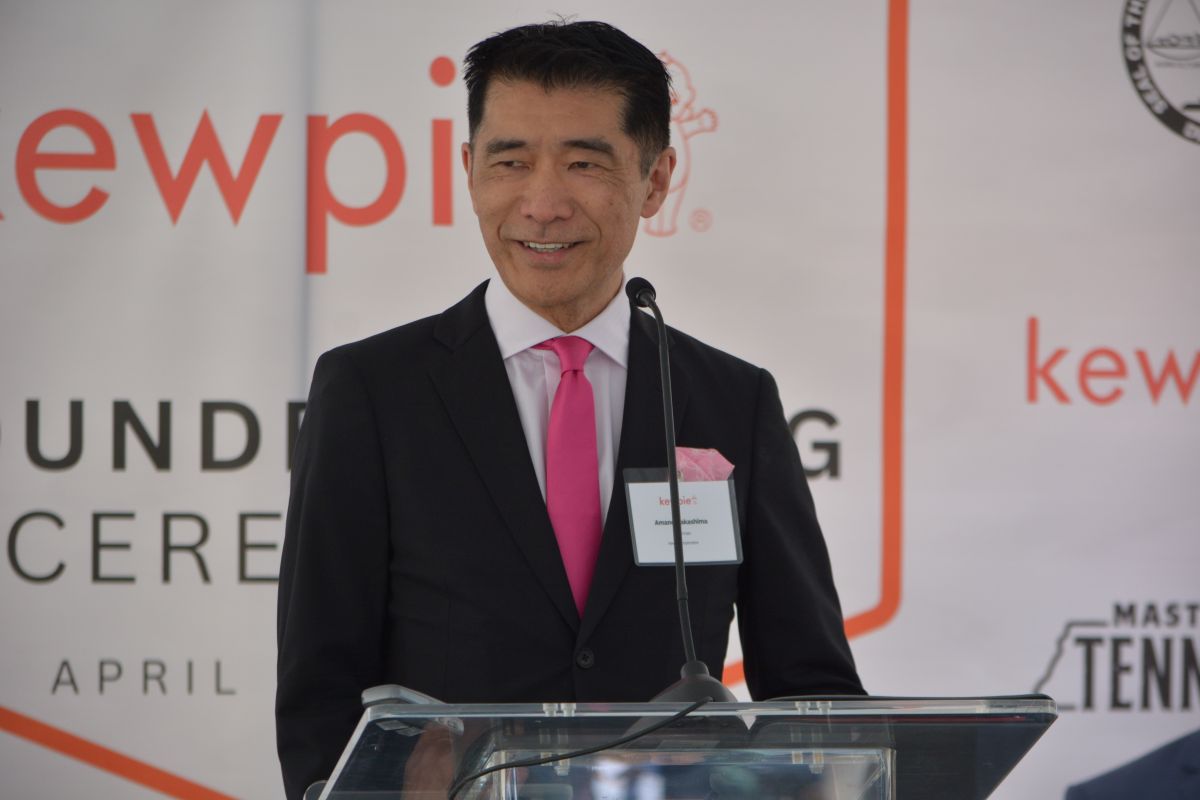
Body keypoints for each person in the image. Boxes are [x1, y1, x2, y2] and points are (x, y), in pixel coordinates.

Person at [276, 20, 863, 799]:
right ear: (469, 171)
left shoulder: (729, 399)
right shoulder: (371, 391)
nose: (543, 203)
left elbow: (810, 685)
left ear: (655, 181)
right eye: (509, 161)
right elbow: (320, 686)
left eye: (585, 163)